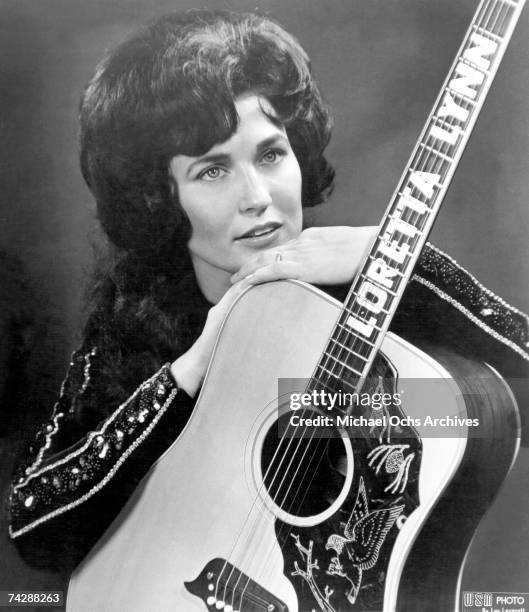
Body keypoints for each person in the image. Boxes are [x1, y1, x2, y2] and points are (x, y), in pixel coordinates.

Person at [7, 6, 528, 602]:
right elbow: (36, 530)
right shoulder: (137, 326)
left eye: (272, 154)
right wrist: (190, 373)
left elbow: (500, 409)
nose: (258, 197)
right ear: (158, 199)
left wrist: (406, 268)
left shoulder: (376, 313)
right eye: (212, 171)